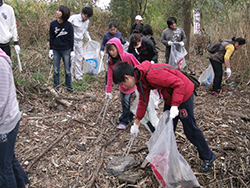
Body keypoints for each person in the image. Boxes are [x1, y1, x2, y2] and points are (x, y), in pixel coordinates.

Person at [112, 61, 216, 173]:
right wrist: (136, 123)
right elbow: (143, 102)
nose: (124, 87)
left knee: (190, 130)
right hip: (171, 97)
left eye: (122, 84)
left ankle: (208, 156)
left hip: (183, 94)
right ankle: (166, 156)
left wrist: (175, 106)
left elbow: (179, 84)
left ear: (127, 77)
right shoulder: (140, 80)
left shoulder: (151, 75)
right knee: (166, 127)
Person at [0, 49, 30, 188]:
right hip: (7, 119)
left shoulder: (0, 63)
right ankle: (22, 183)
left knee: (3, 167)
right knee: (8, 158)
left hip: (5, 122)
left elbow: (1, 100)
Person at [105, 37, 140, 130]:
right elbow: (109, 76)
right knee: (123, 101)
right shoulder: (111, 62)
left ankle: (124, 120)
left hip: (130, 84)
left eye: (113, 50)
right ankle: (129, 117)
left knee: (126, 102)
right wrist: (108, 90)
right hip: (122, 86)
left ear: (118, 48)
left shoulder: (128, 57)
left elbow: (138, 66)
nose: (111, 53)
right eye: (109, 51)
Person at [49, 5, 74, 93]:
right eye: (57, 10)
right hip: (56, 49)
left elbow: (71, 38)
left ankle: (69, 87)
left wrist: (72, 50)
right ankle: (56, 86)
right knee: (56, 70)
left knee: (67, 70)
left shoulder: (69, 25)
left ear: (64, 13)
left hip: (66, 49)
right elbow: (51, 37)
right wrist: (51, 49)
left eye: (59, 11)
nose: (57, 12)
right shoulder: (53, 24)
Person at [68, 7, 93, 81]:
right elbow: (66, 28)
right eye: (86, 16)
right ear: (82, 13)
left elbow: (85, 31)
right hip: (71, 40)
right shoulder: (73, 18)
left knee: (79, 59)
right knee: (71, 58)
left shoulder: (86, 21)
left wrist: (88, 38)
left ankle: (78, 76)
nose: (87, 18)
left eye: (88, 17)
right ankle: (70, 76)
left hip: (79, 41)